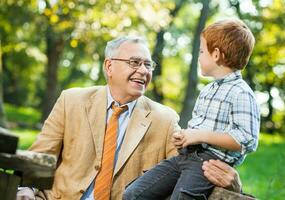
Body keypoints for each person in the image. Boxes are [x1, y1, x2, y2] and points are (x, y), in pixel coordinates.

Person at [16, 36, 242, 200]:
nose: (144, 71)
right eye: (134, 62)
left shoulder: (165, 119)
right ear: (109, 66)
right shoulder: (71, 100)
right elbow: (40, 156)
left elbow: (188, 168)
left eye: (147, 64)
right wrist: (26, 188)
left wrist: (233, 183)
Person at [123, 19, 260, 200]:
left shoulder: (241, 92)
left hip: (208, 163)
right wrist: (185, 137)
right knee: (133, 194)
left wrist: (200, 135)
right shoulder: (208, 90)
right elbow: (198, 127)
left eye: (202, 51)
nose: (199, 56)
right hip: (186, 156)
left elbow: (246, 140)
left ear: (216, 54)